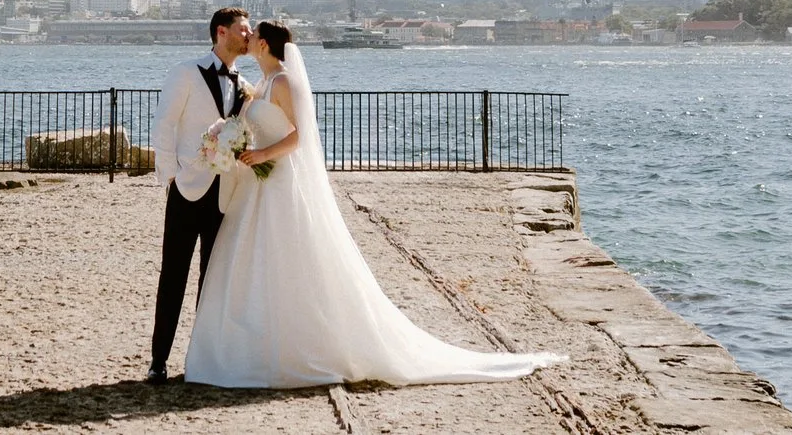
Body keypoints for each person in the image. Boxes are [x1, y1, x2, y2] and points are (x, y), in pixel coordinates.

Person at [182, 21, 564, 388]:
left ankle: (292, 349)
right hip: (257, 185)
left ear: (264, 44)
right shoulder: (260, 84)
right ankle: (249, 349)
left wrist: (264, 153)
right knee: (253, 262)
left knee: (286, 259)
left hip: (281, 182)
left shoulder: (283, 81)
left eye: (253, 35)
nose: (247, 39)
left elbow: (299, 137)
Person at [148, 6, 254, 383]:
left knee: (212, 281)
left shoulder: (245, 85)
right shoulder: (186, 73)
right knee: (173, 275)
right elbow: (164, 125)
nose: (249, 34)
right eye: (244, 29)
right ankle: (158, 360)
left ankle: (200, 360)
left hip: (224, 193)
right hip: (186, 189)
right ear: (221, 32)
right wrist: (171, 177)